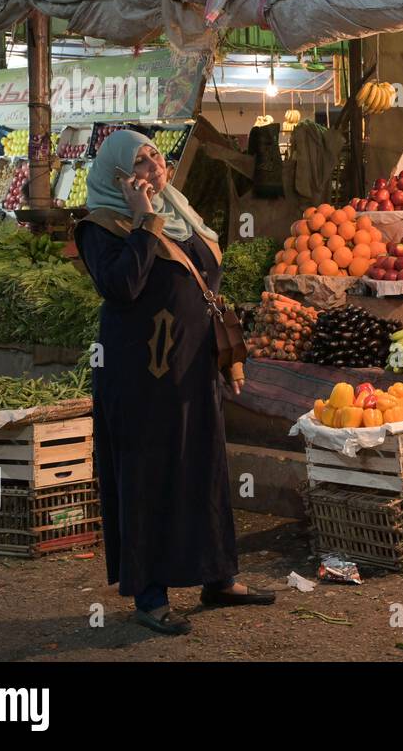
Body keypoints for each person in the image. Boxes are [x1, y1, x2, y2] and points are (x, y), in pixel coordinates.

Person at [75, 130, 274, 635]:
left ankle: (217, 575)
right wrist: (143, 221)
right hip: (141, 374)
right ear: (118, 175)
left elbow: (207, 277)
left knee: (204, 465)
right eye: (139, 163)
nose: (151, 168)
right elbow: (122, 287)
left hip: (193, 367)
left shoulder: (180, 211)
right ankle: (150, 593)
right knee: (149, 473)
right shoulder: (101, 226)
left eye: (155, 157)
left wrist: (223, 353)